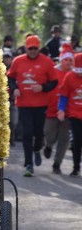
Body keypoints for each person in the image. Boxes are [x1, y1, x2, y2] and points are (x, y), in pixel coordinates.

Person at [7, 35, 58, 177]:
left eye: (35, 48)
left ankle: (37, 149)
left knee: (39, 133)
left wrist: (42, 87)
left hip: (40, 104)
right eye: (30, 49)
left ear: (39, 47)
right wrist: (14, 88)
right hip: (23, 104)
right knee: (27, 133)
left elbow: (54, 82)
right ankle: (29, 163)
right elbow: (10, 77)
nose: (33, 51)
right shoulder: (18, 61)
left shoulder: (46, 62)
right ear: (26, 48)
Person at [44, 44, 74, 174]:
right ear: (61, 59)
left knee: (64, 139)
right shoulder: (53, 71)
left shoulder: (74, 75)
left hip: (68, 112)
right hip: (51, 109)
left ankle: (57, 163)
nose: (68, 62)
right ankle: (49, 145)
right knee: (50, 134)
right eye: (66, 59)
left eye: (70, 60)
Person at [57, 53, 82, 177]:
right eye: (78, 71)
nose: (79, 74)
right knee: (76, 141)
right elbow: (64, 95)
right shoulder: (69, 77)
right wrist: (61, 109)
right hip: (74, 114)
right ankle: (76, 167)